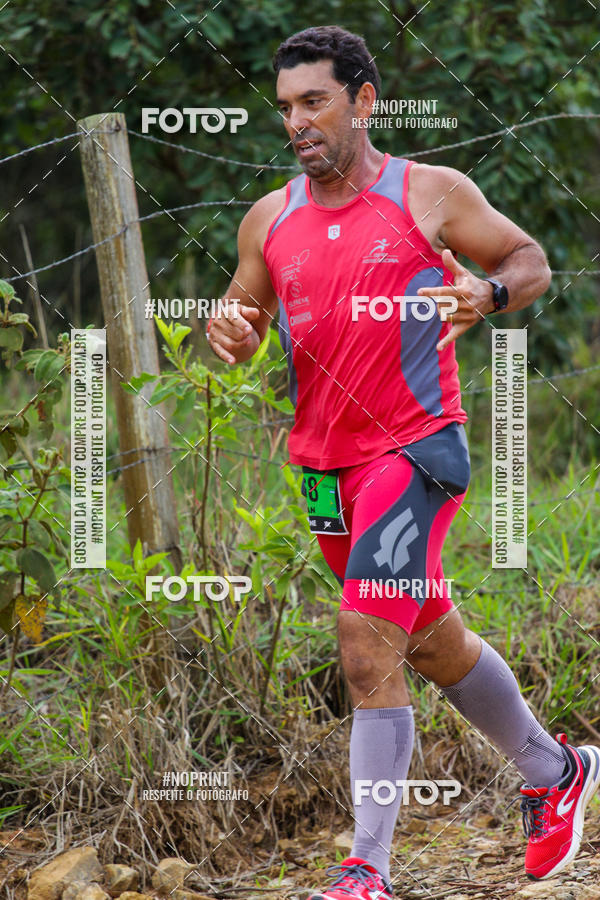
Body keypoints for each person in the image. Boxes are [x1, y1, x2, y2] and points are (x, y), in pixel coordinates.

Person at [206, 25, 600, 899]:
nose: (297, 122)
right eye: (286, 107)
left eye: (315, 102)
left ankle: (366, 872)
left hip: (415, 450)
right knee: (425, 640)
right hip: (323, 469)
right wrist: (229, 331)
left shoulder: (430, 192)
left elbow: (530, 261)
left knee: (362, 643)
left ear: (364, 101)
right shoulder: (269, 217)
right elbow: (243, 319)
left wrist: (488, 292)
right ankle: (557, 770)